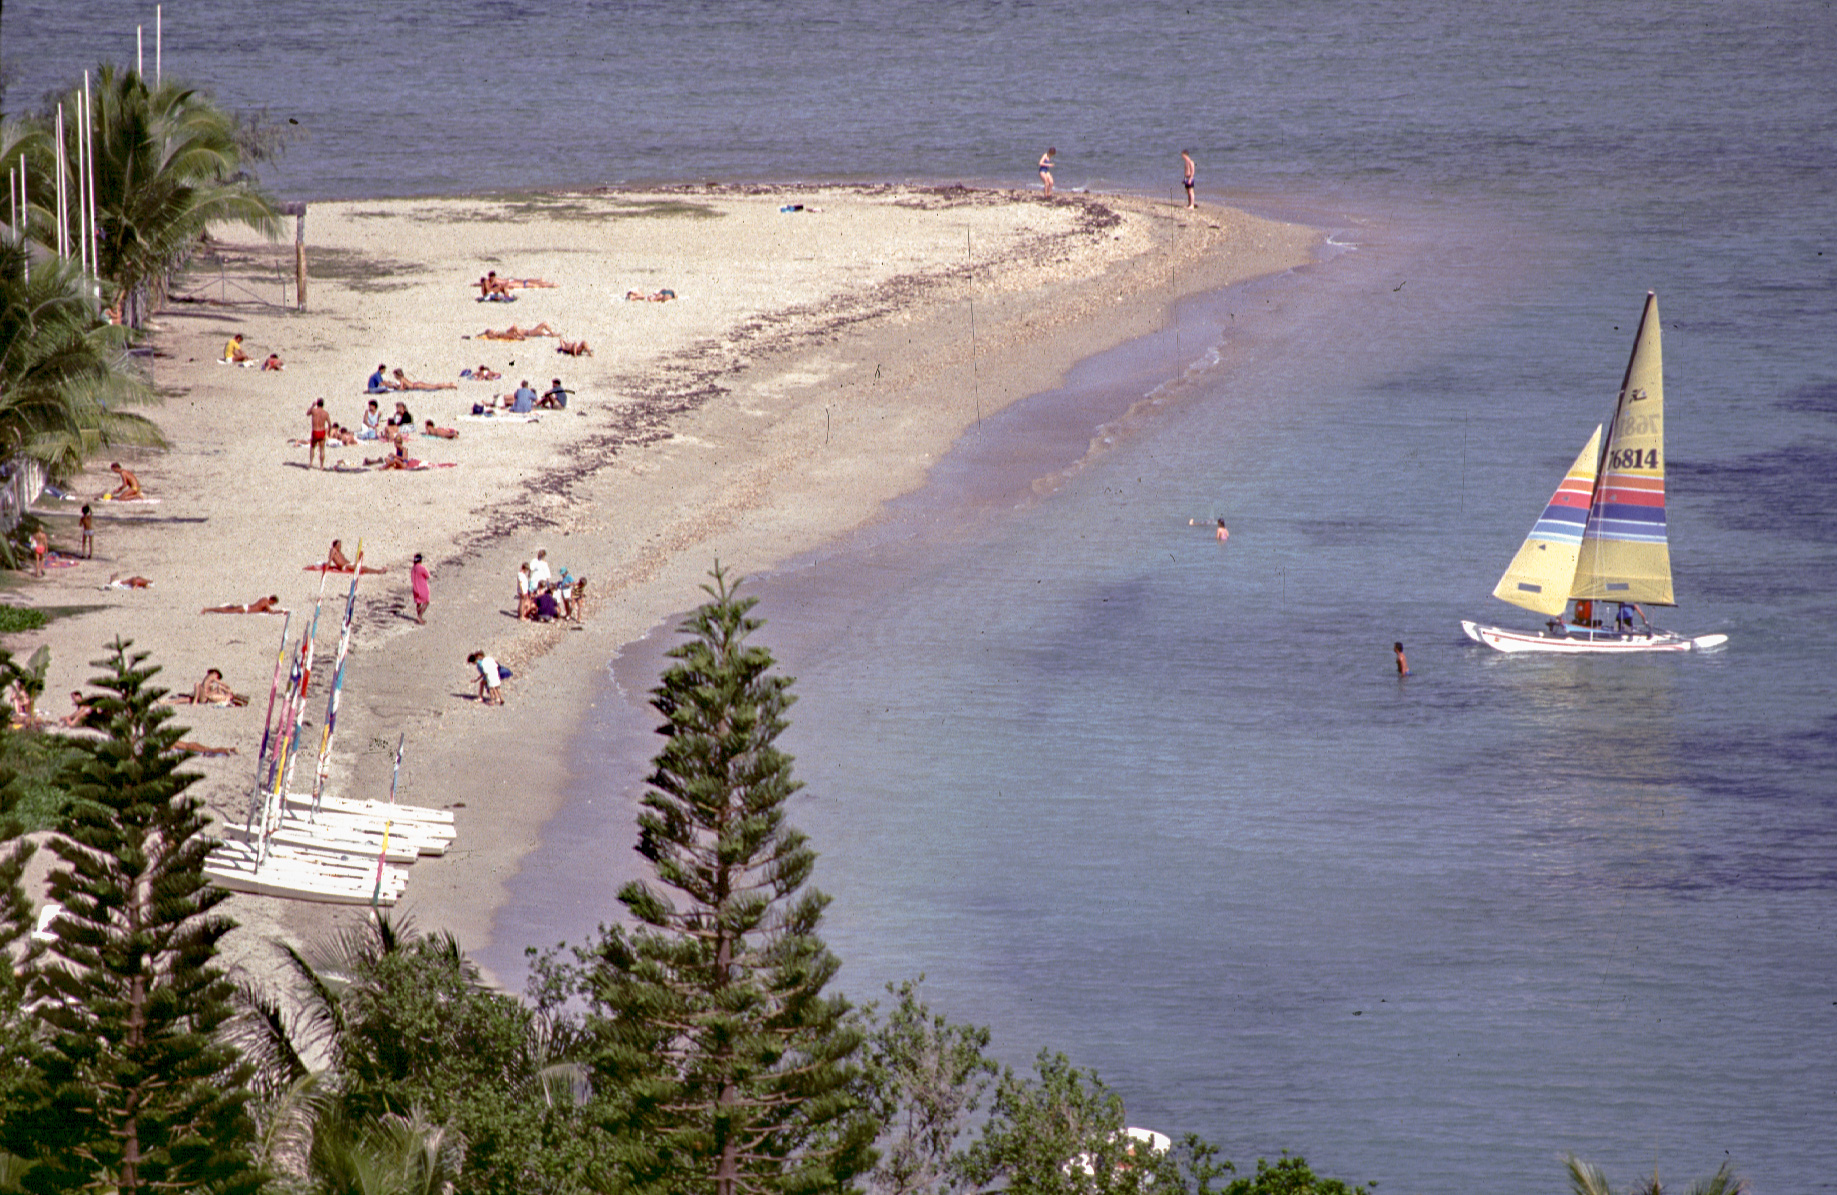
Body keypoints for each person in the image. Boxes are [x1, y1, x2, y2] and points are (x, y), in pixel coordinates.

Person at [306, 398, 331, 469]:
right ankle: (321, 466)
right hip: (322, 431)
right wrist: (329, 432)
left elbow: (307, 413)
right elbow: (329, 424)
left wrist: (312, 406)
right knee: (322, 449)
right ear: (323, 405)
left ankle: (310, 463)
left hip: (315, 431)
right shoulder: (325, 413)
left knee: (312, 447)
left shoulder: (314, 411)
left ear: (317, 404)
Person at [202, 595, 283, 614]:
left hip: (246, 607)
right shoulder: (266, 602)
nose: (273, 605)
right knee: (226, 611)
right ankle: (207, 609)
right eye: (273, 603)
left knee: (229, 609)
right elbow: (271, 612)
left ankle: (208, 609)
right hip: (245, 609)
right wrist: (281, 611)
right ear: (272, 600)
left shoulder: (264, 599)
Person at [392, 367, 457, 391]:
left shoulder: (401, 379)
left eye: (395, 375)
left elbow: (402, 388)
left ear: (398, 375)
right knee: (434, 386)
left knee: (434, 387)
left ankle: (451, 385)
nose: (394, 377)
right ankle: (450, 384)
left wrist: (396, 387)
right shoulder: (403, 378)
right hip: (417, 384)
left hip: (416, 385)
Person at [410, 553, 431, 624]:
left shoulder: (413, 569)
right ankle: (419, 616)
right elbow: (427, 575)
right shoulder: (421, 568)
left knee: (418, 603)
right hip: (422, 587)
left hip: (415, 588)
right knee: (426, 602)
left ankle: (419, 617)